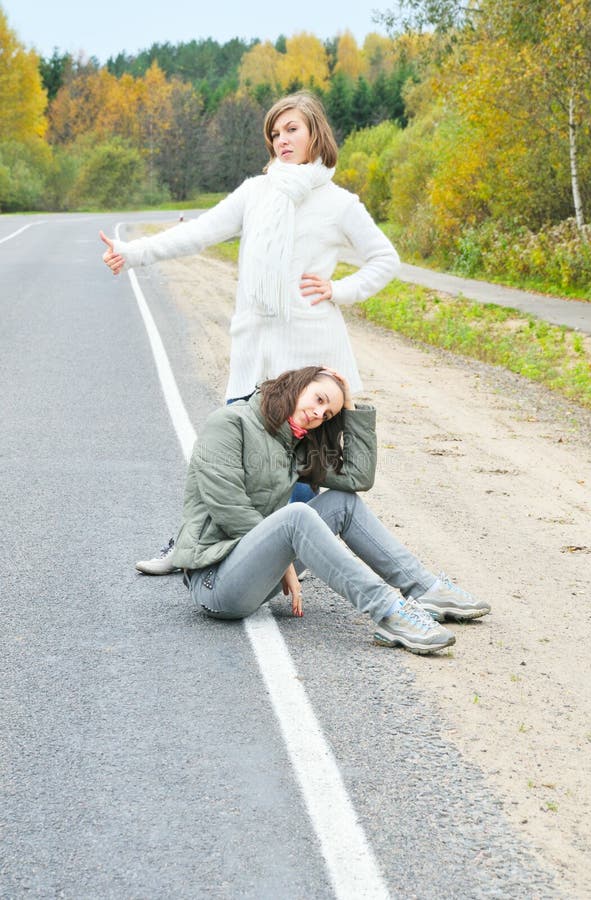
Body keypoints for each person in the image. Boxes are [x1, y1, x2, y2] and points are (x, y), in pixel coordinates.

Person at [99, 91, 401, 571]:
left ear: (315, 133)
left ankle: (276, 561)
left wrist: (338, 290)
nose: (282, 139)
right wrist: (132, 252)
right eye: (275, 133)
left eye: (292, 130)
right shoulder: (256, 194)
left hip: (307, 354)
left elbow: (386, 259)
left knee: (298, 471)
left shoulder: (339, 204)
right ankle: (190, 548)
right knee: (223, 455)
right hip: (253, 357)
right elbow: (196, 233)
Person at [166, 365, 490, 655]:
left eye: (328, 415)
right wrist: (285, 566)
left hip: (255, 575)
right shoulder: (230, 423)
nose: (319, 414)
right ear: (297, 384)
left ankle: (427, 590)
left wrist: (349, 408)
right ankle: (389, 612)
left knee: (342, 502)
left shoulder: (296, 446)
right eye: (319, 400)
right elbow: (227, 506)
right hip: (216, 581)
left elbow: (357, 478)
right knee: (298, 516)